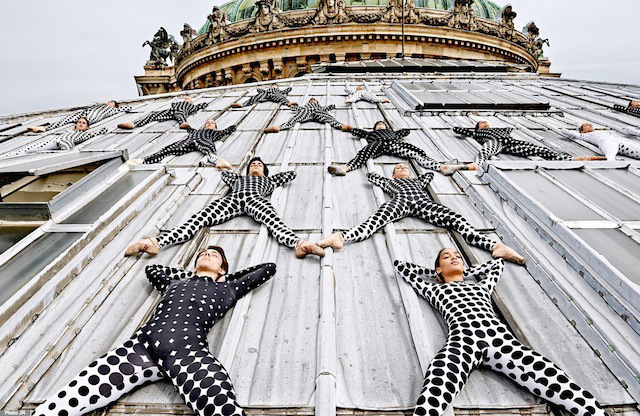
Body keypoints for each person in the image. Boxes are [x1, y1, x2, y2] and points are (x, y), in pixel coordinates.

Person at [33, 245, 276, 416]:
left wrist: (223, 278)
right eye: (203, 253)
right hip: (140, 347)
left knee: (223, 408)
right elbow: (153, 270)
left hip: (187, 352)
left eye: (214, 255)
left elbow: (267, 268)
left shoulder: (229, 289)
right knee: (63, 403)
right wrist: (192, 274)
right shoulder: (174, 283)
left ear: (223, 269)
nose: (207, 254)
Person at [394, 248, 606, 416]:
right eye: (447, 257)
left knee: (555, 379)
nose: (455, 258)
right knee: (438, 379)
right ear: (438, 270)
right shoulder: (435, 289)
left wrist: (465, 272)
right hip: (463, 340)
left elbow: (497, 265)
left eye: (458, 256)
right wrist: (437, 275)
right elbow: (402, 267)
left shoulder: (480, 287)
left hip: (500, 339)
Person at [317, 163, 525, 264]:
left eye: (405, 167)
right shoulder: (391, 182)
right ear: (393, 174)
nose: (402, 168)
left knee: (456, 219)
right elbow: (372, 177)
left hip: (424, 203)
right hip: (401, 200)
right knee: (377, 219)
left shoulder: (418, 180)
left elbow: (427, 176)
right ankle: (342, 237)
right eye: (398, 167)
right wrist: (384, 177)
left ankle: (493, 246)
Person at [125, 157, 325, 259]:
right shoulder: (238, 178)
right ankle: (157, 242)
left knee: (273, 221)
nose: (255, 165)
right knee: (200, 217)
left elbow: (290, 175)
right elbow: (226, 175)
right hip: (233, 198)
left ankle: (298, 244)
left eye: (259, 164)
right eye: (252, 164)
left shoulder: (270, 180)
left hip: (256, 198)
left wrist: (267, 176)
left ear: (265, 170)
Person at [327, 120, 465, 176]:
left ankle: (442, 167)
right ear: (374, 127)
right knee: (363, 154)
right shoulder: (370, 133)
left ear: (387, 127)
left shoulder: (393, 133)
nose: (381, 124)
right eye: (378, 124)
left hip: (393, 143)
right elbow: (357, 131)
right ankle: (344, 168)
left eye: (383, 123)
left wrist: (396, 131)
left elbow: (406, 131)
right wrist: (348, 128)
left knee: (416, 153)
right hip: (377, 143)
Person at [453, 121, 604, 171]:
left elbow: (510, 129)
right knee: (486, 150)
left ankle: (571, 159)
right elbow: (457, 129)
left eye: (486, 122)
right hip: (495, 141)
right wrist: (470, 131)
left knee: (540, 150)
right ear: (477, 128)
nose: (485, 123)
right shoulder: (476, 133)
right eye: (482, 123)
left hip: (511, 142)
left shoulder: (501, 129)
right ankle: (477, 164)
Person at [128, 119, 235, 169]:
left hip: (203, 139)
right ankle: (143, 160)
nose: (209, 123)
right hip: (189, 140)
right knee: (168, 149)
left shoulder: (215, 132)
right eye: (207, 122)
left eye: (212, 123)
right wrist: (186, 126)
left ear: (215, 126)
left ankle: (218, 161)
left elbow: (226, 131)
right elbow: (189, 128)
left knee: (208, 147)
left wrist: (232, 127)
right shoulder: (195, 131)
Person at [3, 117, 107, 158]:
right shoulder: (68, 130)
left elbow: (99, 132)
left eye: (83, 123)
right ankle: (6, 156)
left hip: (65, 142)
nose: (80, 124)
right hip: (55, 140)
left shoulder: (84, 134)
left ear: (87, 127)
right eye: (79, 122)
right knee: (27, 150)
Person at [26, 100, 131, 133]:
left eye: (111, 102)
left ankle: (75, 131)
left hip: (93, 116)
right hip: (86, 113)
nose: (109, 102)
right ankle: (44, 128)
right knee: (66, 119)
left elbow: (128, 107)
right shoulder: (99, 106)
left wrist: (117, 107)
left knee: (82, 123)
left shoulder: (112, 110)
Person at [552, 123, 640, 161]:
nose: (590, 124)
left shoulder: (601, 132)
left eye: (590, 124)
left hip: (620, 142)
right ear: (582, 131)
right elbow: (565, 131)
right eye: (586, 125)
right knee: (610, 154)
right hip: (605, 142)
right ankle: (610, 160)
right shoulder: (584, 135)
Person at [264, 98, 351, 133]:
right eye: (311, 100)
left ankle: (341, 126)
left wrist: (333, 105)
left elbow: (329, 107)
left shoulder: (320, 107)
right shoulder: (305, 106)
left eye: (314, 100)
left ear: (317, 102)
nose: (313, 100)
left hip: (318, 111)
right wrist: (292, 105)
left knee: (329, 118)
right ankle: (279, 127)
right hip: (306, 111)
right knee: (295, 119)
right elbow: (296, 108)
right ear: (308, 102)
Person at [118, 97, 208, 130]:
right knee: (152, 116)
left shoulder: (192, 106)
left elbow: (202, 105)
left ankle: (182, 123)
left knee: (180, 114)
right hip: (171, 111)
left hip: (180, 112)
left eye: (188, 99)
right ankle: (134, 124)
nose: (186, 100)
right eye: (185, 99)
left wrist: (204, 104)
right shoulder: (177, 103)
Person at [230, 84, 298, 108]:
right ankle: (242, 104)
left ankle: (288, 103)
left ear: (277, 87)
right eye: (273, 85)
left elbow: (284, 91)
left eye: (275, 85)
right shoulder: (266, 90)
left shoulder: (278, 90)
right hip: (265, 94)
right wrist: (260, 90)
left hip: (274, 94)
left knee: (281, 97)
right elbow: (259, 90)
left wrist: (289, 89)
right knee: (254, 97)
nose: (274, 86)